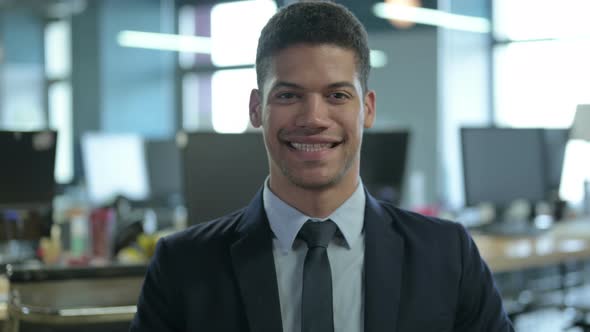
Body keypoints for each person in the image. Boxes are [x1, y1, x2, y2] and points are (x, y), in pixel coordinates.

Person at [130, 1, 514, 331]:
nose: (313, 117)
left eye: (337, 95)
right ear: (255, 109)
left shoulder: (448, 256)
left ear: (367, 109)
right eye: (288, 95)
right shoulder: (182, 267)